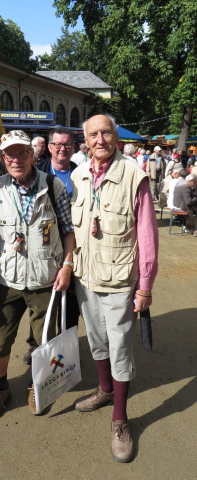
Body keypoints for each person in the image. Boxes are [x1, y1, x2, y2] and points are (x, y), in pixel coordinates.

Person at [0, 130, 75, 420]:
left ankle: (35, 384)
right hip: (8, 279)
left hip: (45, 279)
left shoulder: (52, 185)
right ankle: (1, 388)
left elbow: (67, 230)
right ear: (3, 158)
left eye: (22, 153)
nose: (16, 159)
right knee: (1, 340)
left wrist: (67, 265)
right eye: (10, 154)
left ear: (32, 154)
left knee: (44, 340)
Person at [70, 114, 158, 463]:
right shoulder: (78, 175)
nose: (100, 139)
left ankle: (120, 419)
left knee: (120, 347)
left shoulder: (135, 176)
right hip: (86, 278)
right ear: (86, 139)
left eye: (106, 132)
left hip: (121, 281)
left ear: (115, 136)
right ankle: (104, 390)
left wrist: (145, 286)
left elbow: (148, 237)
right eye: (94, 134)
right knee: (96, 339)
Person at [22, 127, 80, 365]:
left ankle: (67, 347)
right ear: (49, 147)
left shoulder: (80, 173)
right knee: (42, 299)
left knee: (72, 300)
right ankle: (35, 343)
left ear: (73, 147)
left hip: (74, 243)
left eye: (67, 144)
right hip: (43, 246)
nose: (62, 148)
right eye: (57, 144)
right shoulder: (38, 172)